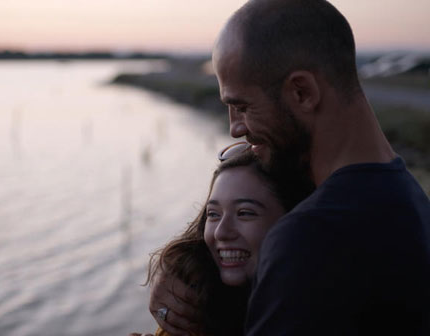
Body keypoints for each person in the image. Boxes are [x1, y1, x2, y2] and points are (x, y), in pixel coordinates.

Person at [149, 0, 430, 335]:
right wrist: (191, 266)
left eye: (241, 106)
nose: (235, 128)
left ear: (302, 92)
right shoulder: (409, 198)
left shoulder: (310, 238)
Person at [131, 143, 312, 336]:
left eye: (244, 213)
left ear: (292, 217)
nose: (220, 232)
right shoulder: (194, 307)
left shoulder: (321, 308)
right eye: (213, 214)